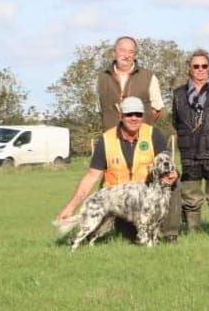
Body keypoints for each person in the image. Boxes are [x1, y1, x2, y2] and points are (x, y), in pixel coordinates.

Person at [56, 96, 181, 243]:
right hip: (119, 202)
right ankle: (83, 238)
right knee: (127, 237)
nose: (134, 118)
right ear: (121, 115)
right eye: (129, 114)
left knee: (176, 185)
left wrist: (173, 175)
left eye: (138, 114)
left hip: (146, 197)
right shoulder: (106, 140)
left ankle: (169, 234)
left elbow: (168, 164)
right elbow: (91, 176)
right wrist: (70, 207)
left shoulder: (154, 134)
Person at [172, 49, 209, 235]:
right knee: (190, 197)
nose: (200, 70)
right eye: (195, 66)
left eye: (204, 66)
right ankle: (193, 235)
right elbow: (176, 121)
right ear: (189, 69)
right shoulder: (178, 94)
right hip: (189, 151)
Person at [97, 36, 165, 131]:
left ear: (135, 55)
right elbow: (101, 111)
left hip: (141, 139)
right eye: (122, 50)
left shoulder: (149, 77)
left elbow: (158, 110)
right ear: (114, 53)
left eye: (131, 52)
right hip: (111, 138)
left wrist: (141, 125)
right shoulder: (102, 78)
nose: (126, 55)